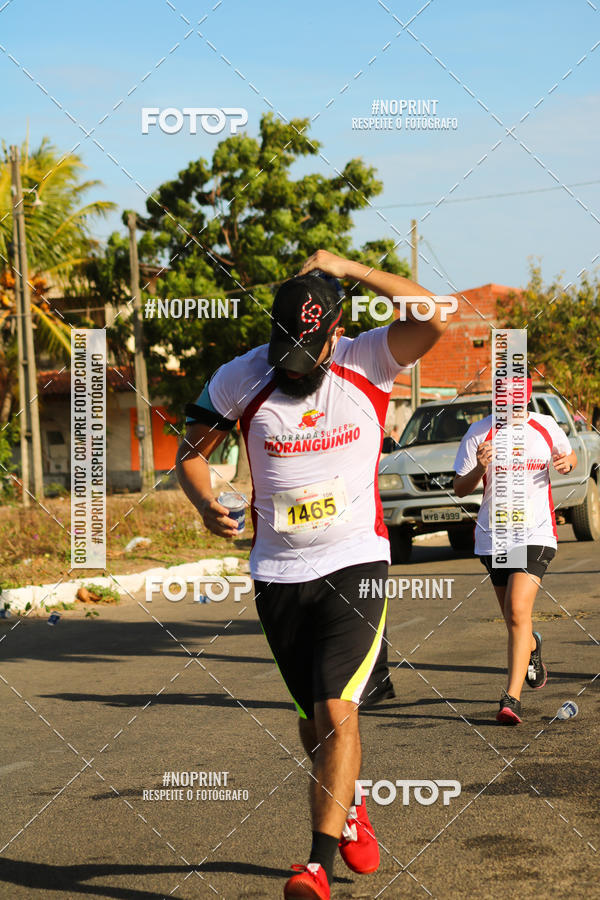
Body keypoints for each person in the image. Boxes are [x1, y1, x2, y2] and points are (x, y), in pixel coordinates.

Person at [176, 249, 452, 899]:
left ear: (335, 331)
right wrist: (203, 501)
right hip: (276, 571)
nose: (293, 368)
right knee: (311, 715)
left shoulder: (371, 358)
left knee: (336, 706)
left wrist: (347, 268)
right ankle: (349, 804)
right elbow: (192, 450)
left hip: (356, 557)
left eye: (309, 350)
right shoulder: (240, 377)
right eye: (284, 352)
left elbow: (436, 314)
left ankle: (316, 866)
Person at [453, 374, 577, 724]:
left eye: (520, 405)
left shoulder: (545, 425)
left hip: (535, 533)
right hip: (494, 536)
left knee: (518, 609)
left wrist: (567, 464)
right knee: (513, 618)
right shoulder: (480, 432)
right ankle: (533, 647)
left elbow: (568, 457)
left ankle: (511, 698)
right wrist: (480, 466)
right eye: (507, 406)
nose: (515, 412)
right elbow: (460, 489)